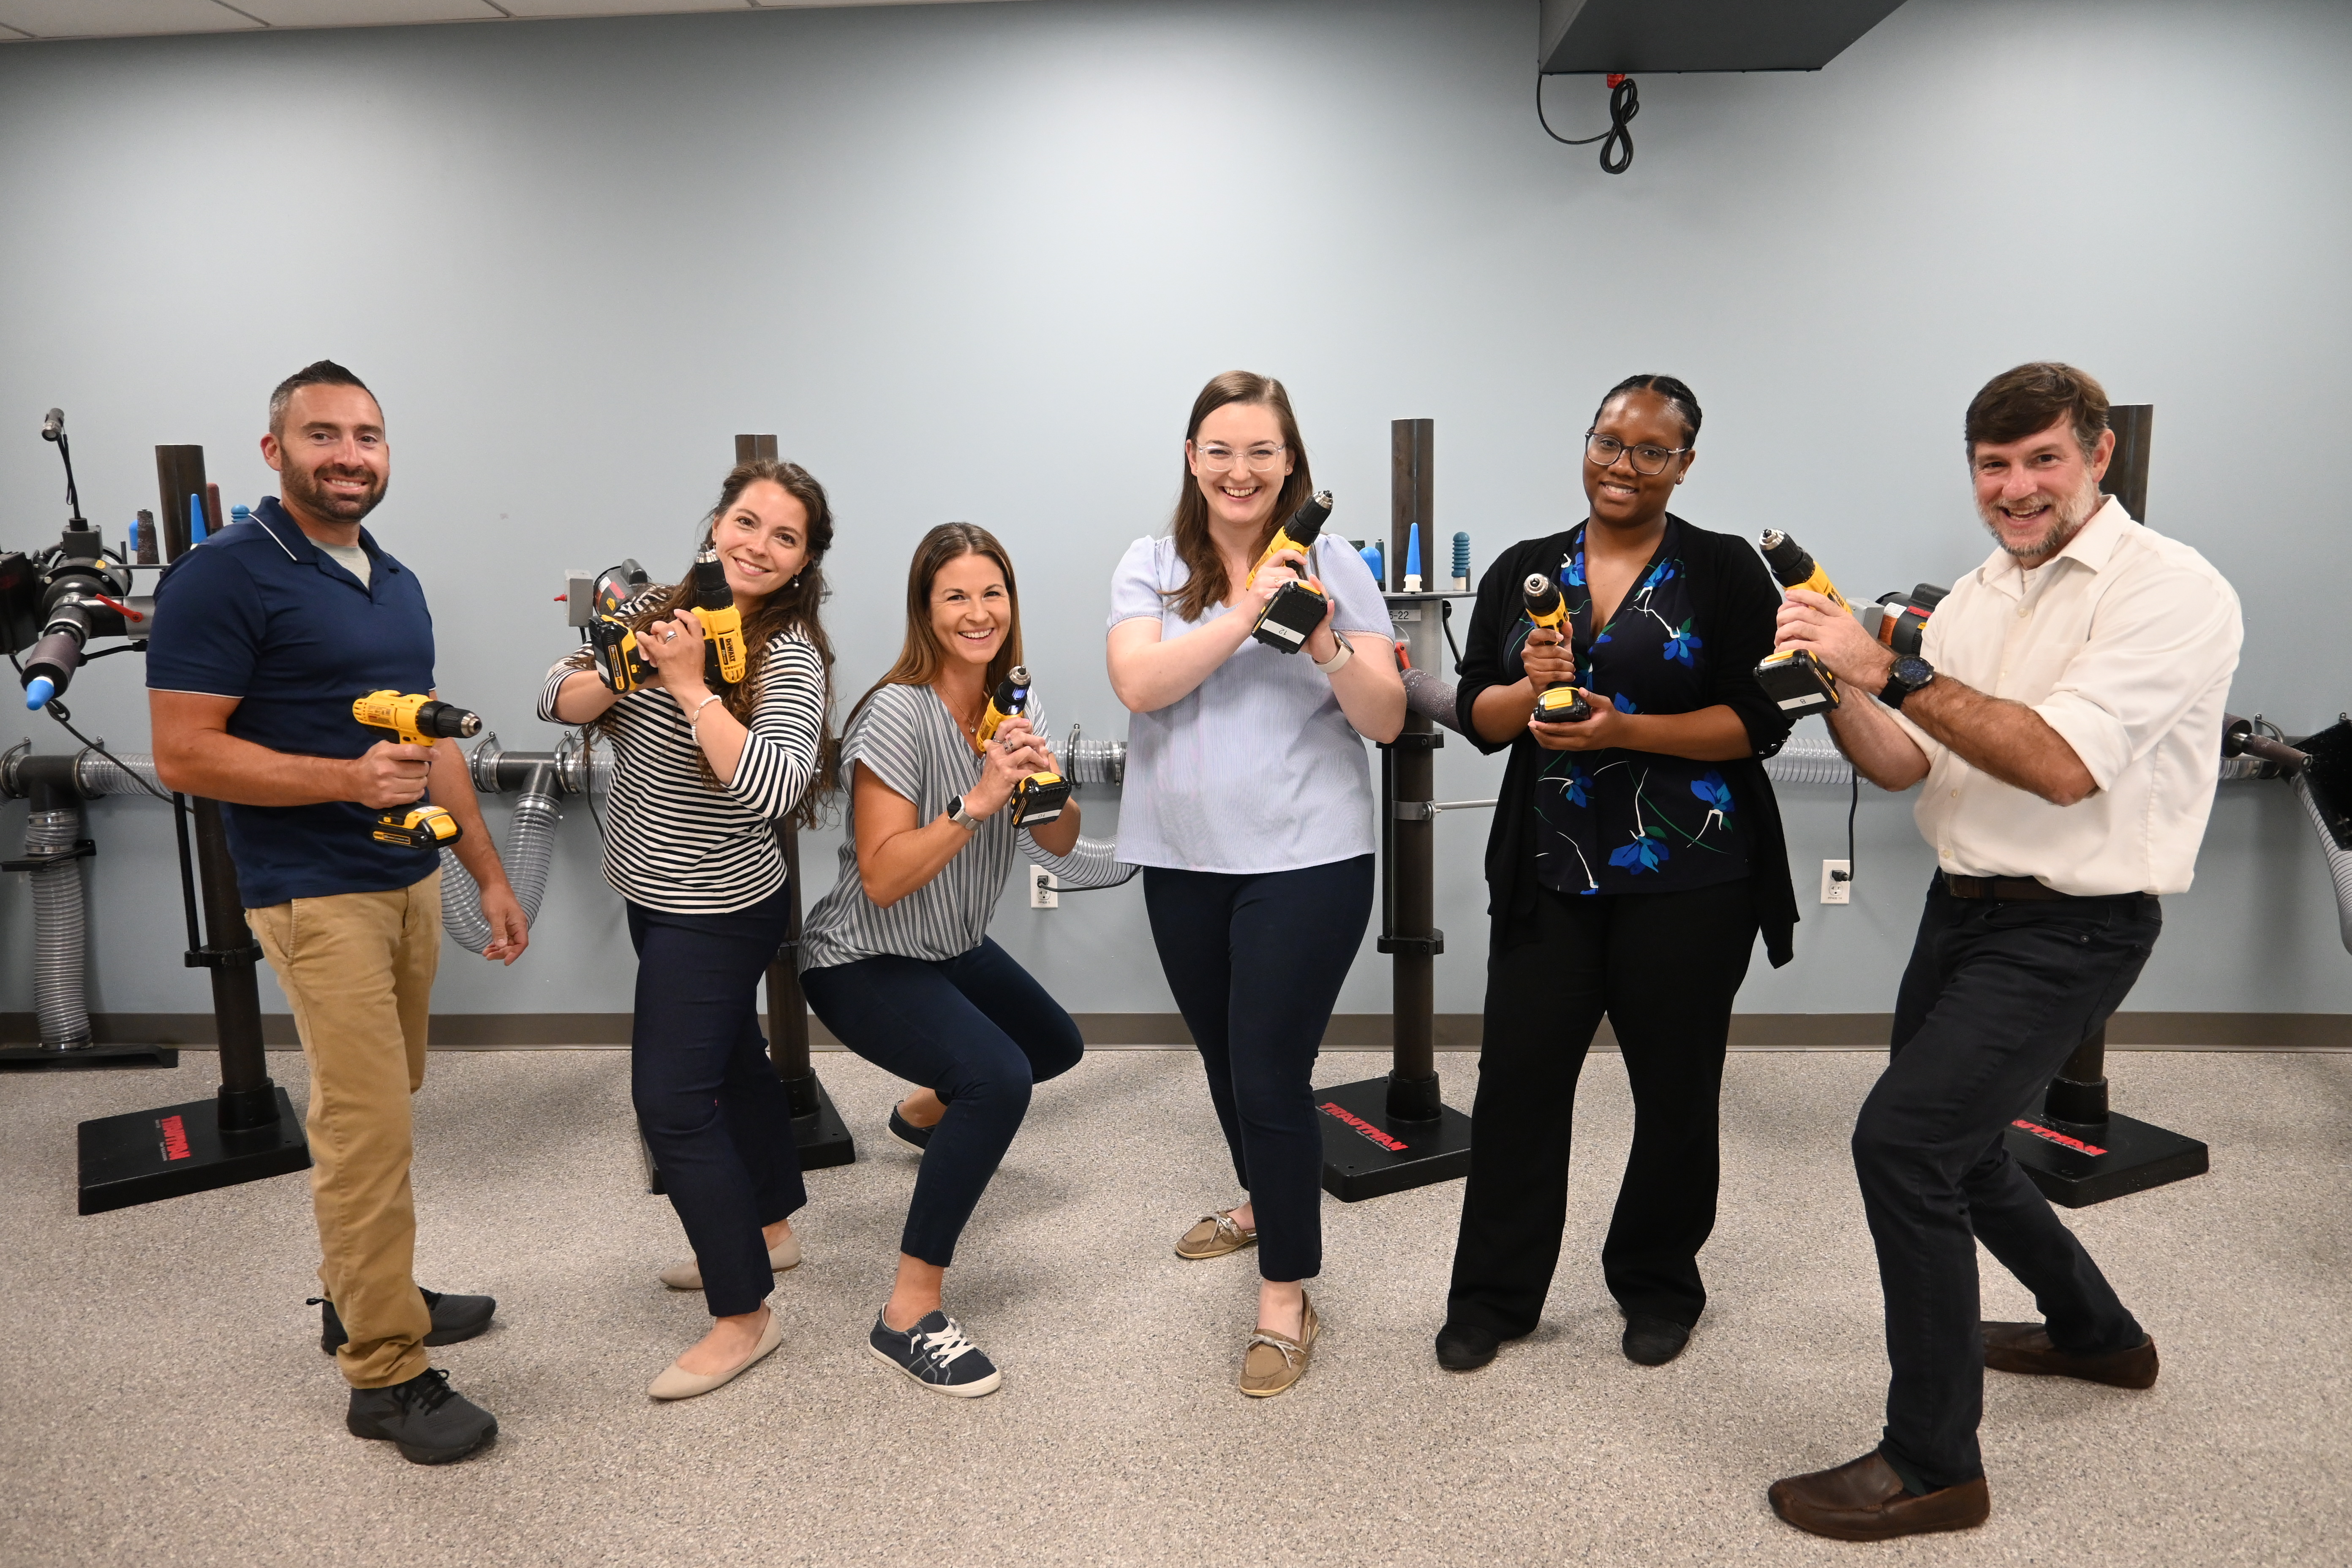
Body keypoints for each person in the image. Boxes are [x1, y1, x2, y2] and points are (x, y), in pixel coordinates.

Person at [1763, 362, 2242, 1541]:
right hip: (1964, 905)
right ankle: (2099, 1335)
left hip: (2074, 924)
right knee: (1965, 1152)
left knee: (1902, 1145)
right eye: (1994, 466)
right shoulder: (1978, 598)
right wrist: (1835, 686)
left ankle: (1934, 1465)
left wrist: (1892, 665)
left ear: (2097, 457)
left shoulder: (2169, 590)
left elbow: (2063, 765)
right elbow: (1910, 763)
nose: (2016, 488)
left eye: (2042, 461)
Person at [147, 361, 529, 1466]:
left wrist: (484, 873)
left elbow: (429, 743)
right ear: (274, 452)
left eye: (366, 436)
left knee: (387, 1098)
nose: (349, 455)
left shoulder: (393, 579)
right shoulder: (223, 577)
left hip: (406, 879)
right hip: (312, 892)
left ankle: (360, 1293)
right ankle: (387, 1375)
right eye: (323, 435)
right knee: (367, 1129)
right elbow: (184, 750)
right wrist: (342, 782)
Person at [1434, 375, 1799, 1376]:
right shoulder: (1523, 570)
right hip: (1553, 872)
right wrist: (1525, 681)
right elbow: (1482, 720)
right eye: (1608, 440)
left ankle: (1658, 1281)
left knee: (1675, 1092)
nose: (1621, 464)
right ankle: (1495, 1297)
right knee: (1516, 1088)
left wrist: (1623, 727)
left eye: (1650, 450)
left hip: (1693, 877)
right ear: (1586, 442)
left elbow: (1758, 721)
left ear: (1684, 463)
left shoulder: (1723, 572)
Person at [1107, 370, 1404, 1397]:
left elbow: (1386, 716)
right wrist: (1245, 607)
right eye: (1220, 450)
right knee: (1227, 1063)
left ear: (1291, 464)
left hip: (1307, 856)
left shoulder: (1340, 566)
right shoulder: (1149, 566)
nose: (1241, 470)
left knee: (1270, 1069)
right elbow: (1141, 682)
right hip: (1184, 859)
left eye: (1261, 452)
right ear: (1193, 459)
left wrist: (1318, 629)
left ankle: (1288, 1290)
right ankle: (1260, 1198)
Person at [539, 459, 834, 1401]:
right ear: (716, 525)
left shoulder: (790, 655)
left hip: (721, 906)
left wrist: (691, 685)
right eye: (747, 522)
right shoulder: (656, 612)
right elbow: (554, 695)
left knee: (671, 1102)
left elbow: (778, 787)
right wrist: (622, 666)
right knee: (734, 1062)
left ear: (802, 564)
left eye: (784, 537)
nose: (759, 544)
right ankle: (774, 1228)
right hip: (648, 887)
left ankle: (744, 1313)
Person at [797, 523, 1088, 1399]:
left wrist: (1045, 782)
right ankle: (907, 1312)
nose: (977, 612)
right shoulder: (896, 710)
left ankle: (925, 1113)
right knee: (999, 1076)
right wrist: (979, 797)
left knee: (1054, 1046)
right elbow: (884, 879)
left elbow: (1062, 843)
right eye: (955, 595)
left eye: (991, 593)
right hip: (864, 954)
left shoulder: (1009, 708)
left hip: (951, 945)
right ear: (926, 609)